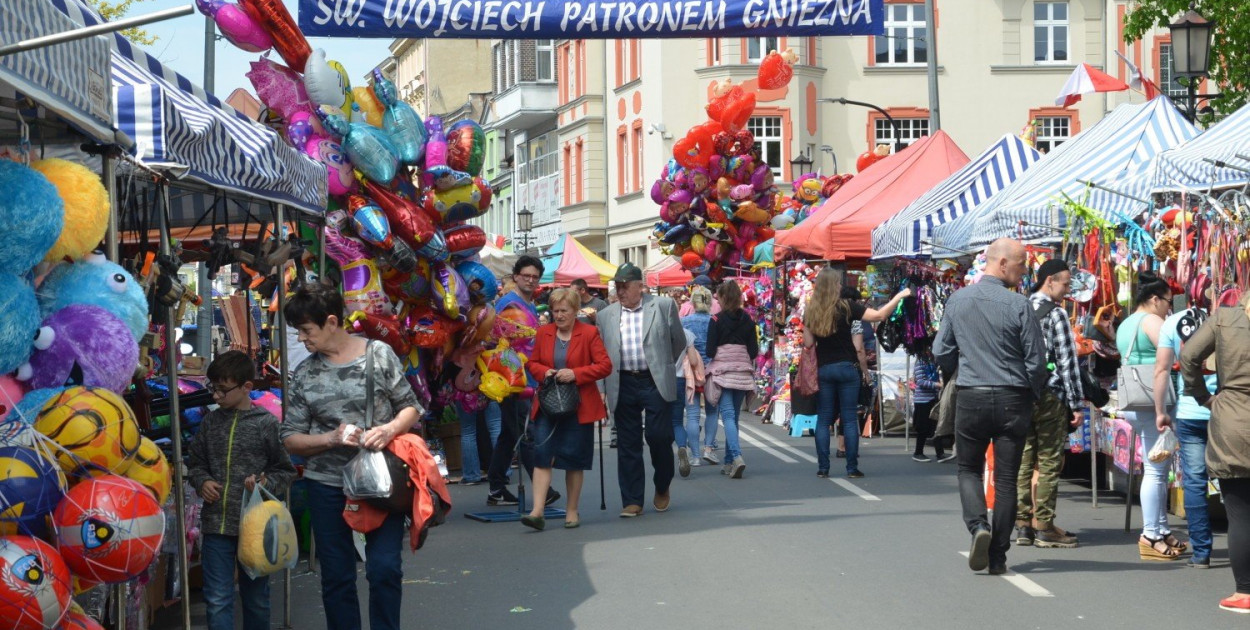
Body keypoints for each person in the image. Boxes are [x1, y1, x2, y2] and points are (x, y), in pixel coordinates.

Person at [281, 283, 422, 630]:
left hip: (381, 481)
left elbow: (411, 408)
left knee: (385, 568)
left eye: (306, 330)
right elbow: (290, 438)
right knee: (337, 575)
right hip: (327, 485)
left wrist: (388, 430)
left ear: (331, 321)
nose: (301, 339)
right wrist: (329, 438)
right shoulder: (305, 373)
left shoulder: (379, 354)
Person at [933, 238, 1047, 576]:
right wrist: (1033, 393)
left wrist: (961, 368)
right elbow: (1036, 361)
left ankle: (978, 526)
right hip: (1013, 397)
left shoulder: (958, 300)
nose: (1025, 270)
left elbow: (941, 350)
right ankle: (998, 555)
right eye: (1021, 264)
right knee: (1008, 478)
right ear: (1000, 263)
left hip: (973, 394)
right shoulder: (1019, 305)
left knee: (968, 469)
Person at [187, 351, 296, 630]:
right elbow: (196, 463)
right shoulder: (210, 423)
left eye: (222, 390)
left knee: (256, 598)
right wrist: (202, 481)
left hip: (255, 528)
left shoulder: (266, 424)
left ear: (246, 387)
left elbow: (285, 471)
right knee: (217, 598)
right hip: (216, 526)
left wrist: (265, 483)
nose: (216, 397)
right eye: (213, 389)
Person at [597, 262, 687, 517]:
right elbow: (602, 354)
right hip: (623, 382)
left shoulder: (662, 306)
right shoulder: (606, 315)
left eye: (626, 286)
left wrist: (662, 364)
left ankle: (662, 485)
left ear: (640, 286)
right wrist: (601, 387)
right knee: (627, 443)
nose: (621, 291)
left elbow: (677, 341)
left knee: (659, 437)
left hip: (653, 380)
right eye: (617, 286)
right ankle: (632, 500)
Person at [802, 267, 909, 479]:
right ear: (834, 286)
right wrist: (899, 295)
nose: (841, 286)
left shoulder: (811, 310)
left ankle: (823, 468)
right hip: (847, 368)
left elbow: (808, 343)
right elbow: (879, 314)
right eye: (838, 283)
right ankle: (851, 468)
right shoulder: (847, 307)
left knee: (823, 419)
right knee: (849, 419)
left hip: (824, 369)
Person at [1180, 295, 1250, 613]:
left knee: (1240, 514)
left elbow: (1190, 356)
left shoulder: (1225, 318)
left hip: (1234, 419)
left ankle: (1246, 592)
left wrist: (1202, 397)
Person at [522, 288, 613, 530]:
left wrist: (576, 374)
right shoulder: (544, 333)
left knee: (574, 460)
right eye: (555, 310)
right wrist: (545, 372)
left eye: (564, 310)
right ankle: (537, 511)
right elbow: (532, 363)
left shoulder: (589, 333)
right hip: (548, 404)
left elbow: (605, 366)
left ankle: (572, 511)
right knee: (542, 457)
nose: (559, 315)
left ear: (575, 311)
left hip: (579, 405)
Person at [1016, 259, 1084, 549]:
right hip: (1049, 396)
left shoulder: (1018, 307)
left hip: (1020, 394)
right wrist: (1076, 403)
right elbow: (1068, 363)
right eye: (1066, 284)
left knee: (1023, 460)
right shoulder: (1056, 315)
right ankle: (1044, 525)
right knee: (1048, 461)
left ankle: (1021, 524)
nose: (1068, 290)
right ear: (1050, 281)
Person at [1116, 271, 1182, 560]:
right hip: (1153, 405)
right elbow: (1171, 358)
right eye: (1168, 301)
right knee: (1156, 471)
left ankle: (1161, 528)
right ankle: (1151, 533)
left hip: (1136, 401)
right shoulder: (1153, 321)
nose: (1170, 307)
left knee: (1155, 468)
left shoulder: (1127, 322)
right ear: (1154, 299)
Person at [484, 256, 560, 508]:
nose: (530, 280)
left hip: (525, 377)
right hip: (514, 378)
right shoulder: (509, 304)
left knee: (510, 434)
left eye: (534, 276)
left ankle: (495, 487)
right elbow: (504, 342)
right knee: (526, 433)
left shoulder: (527, 302)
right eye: (526, 275)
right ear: (515, 276)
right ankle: (543, 488)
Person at [1157, 300, 1217, 568]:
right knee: (1236, 479)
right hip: (1224, 410)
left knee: (1194, 481)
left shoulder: (1172, 322)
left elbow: (1162, 369)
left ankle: (1202, 552)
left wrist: (1161, 411)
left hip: (1191, 410)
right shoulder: (1229, 320)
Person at [705, 280, 759, 478]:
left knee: (726, 416)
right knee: (733, 418)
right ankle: (729, 463)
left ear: (723, 298)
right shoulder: (748, 320)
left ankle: (736, 456)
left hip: (723, 373)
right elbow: (753, 351)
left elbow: (710, 350)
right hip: (743, 372)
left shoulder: (716, 320)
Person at [682, 285, 722, 467]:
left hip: (691, 370)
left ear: (693, 302)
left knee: (692, 414)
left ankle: (695, 455)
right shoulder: (715, 321)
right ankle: (709, 449)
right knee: (713, 411)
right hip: (712, 370)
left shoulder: (684, 322)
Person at [910, 342, 946, 462]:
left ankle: (940, 453)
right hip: (922, 400)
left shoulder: (934, 362)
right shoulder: (920, 362)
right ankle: (918, 452)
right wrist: (937, 385)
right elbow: (920, 382)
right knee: (923, 428)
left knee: (936, 427)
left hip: (934, 398)